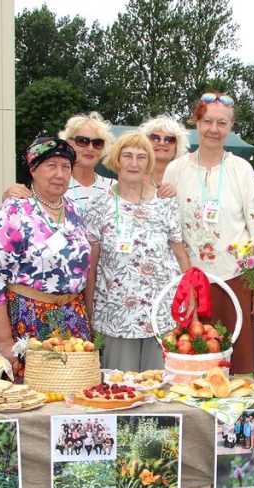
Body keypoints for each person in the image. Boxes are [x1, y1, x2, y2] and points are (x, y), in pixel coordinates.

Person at [163, 91, 254, 376]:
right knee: (192, 363)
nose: (214, 129)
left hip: (234, 279)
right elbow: (166, 224)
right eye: (208, 121)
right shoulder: (176, 169)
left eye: (222, 123)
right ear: (196, 123)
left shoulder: (241, 169)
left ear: (230, 127)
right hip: (189, 281)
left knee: (236, 367)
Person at [0, 137, 92, 376]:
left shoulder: (75, 210)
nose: (59, 174)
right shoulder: (16, 209)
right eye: (51, 166)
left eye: (65, 167)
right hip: (28, 319)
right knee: (34, 388)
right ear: (33, 170)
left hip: (73, 318)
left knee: (75, 387)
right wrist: (4, 341)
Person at [83, 131, 191, 371]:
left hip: (162, 314)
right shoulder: (99, 205)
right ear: (117, 160)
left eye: (141, 157)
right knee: (120, 384)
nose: (134, 163)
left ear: (149, 163)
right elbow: (91, 266)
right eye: (128, 156)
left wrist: (190, 297)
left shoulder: (165, 201)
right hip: (116, 315)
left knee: (161, 385)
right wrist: (89, 312)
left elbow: (179, 253)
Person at [62, 112, 116, 214]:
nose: (90, 148)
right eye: (82, 141)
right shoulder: (56, 184)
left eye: (97, 143)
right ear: (69, 143)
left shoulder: (113, 187)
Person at [138, 115, 189, 194]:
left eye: (170, 139)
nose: (162, 143)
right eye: (155, 138)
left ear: (177, 145)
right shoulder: (132, 174)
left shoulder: (186, 178)